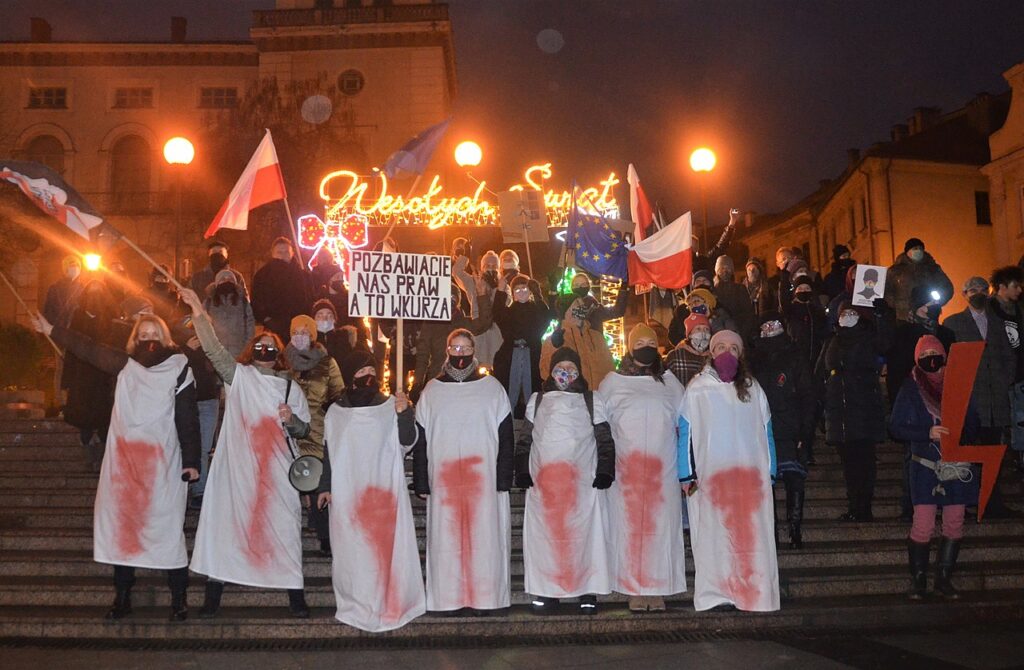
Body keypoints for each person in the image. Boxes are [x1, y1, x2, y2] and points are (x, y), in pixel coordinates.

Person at [32, 312, 201, 621]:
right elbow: (89, 347)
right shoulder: (124, 365)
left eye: (155, 333)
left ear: (164, 338)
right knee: (124, 531)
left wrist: (191, 461)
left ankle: (180, 598)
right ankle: (121, 596)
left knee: (167, 531)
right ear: (135, 339)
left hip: (162, 466)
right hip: (124, 466)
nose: (149, 339)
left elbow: (188, 420)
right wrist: (53, 329)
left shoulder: (179, 369)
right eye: (143, 334)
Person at [179, 288, 313, 619]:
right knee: (228, 526)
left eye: (271, 347)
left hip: (277, 472)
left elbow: (303, 430)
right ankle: (213, 597)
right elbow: (213, 349)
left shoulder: (288, 387)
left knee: (284, 526)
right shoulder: (239, 376)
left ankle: (296, 596)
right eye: (260, 346)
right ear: (251, 351)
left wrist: (290, 418)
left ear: (279, 354)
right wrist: (198, 309)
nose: (265, 350)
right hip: (238, 469)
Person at [316, 349, 426, 631]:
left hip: (383, 493)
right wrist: (325, 486)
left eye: (372, 373)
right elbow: (330, 450)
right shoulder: (336, 412)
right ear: (351, 375)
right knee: (354, 553)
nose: (368, 378)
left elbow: (407, 441)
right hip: (349, 494)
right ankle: (358, 604)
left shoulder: (390, 405)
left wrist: (404, 414)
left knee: (384, 552)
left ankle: (389, 602)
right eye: (362, 372)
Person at [412, 329, 514, 615]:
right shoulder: (432, 390)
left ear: (474, 350)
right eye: (455, 347)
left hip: (484, 481)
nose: (460, 353)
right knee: (447, 542)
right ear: (447, 350)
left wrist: (504, 477)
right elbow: (421, 440)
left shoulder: (492, 388)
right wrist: (421, 479)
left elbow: (506, 437)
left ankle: (486, 597)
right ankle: (449, 598)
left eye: (465, 347)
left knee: (485, 541)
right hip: (445, 482)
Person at [679, 329, 780, 611]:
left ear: (741, 354)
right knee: (715, 536)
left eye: (733, 348)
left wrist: (770, 471)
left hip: (749, 479)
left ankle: (753, 591)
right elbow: (685, 432)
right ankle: (718, 593)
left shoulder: (753, 388)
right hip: (712, 478)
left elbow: (766, 429)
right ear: (711, 352)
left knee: (750, 535)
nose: (726, 352)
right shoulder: (697, 388)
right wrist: (686, 473)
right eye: (720, 346)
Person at [515, 347, 615, 614]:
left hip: (582, 484)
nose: (566, 373)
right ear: (551, 370)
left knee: (585, 536)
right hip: (545, 485)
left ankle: (587, 589)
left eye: (572, 368)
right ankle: (547, 590)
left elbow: (604, 438)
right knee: (546, 538)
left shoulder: (592, 400)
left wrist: (606, 469)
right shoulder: (537, 400)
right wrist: (522, 469)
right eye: (561, 367)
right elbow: (525, 439)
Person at [599, 324, 687, 612]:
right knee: (629, 528)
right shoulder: (612, 382)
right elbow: (601, 424)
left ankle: (658, 587)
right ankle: (633, 587)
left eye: (651, 341)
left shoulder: (670, 382)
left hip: (663, 471)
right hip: (627, 471)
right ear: (629, 347)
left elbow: (684, 422)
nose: (646, 346)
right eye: (641, 342)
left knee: (661, 527)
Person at [890, 335, 979, 599]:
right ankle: (918, 581)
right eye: (925, 353)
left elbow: (974, 422)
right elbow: (895, 427)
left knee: (954, 522)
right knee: (923, 523)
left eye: (935, 352)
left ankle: (944, 579)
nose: (931, 358)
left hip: (955, 467)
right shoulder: (910, 388)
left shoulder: (958, 384)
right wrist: (926, 432)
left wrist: (958, 432)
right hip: (925, 467)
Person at [944, 272, 1023, 517]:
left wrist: (1005, 379)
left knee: (995, 451)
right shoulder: (953, 323)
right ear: (964, 295)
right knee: (970, 451)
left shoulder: (1000, 323)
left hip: (996, 398)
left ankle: (992, 501)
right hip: (971, 399)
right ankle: (968, 501)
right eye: (971, 290)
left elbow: (1011, 355)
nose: (977, 293)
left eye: (981, 289)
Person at [817, 299, 895, 521]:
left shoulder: (868, 337)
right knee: (849, 464)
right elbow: (820, 372)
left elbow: (886, 342)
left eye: (852, 312)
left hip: (864, 409)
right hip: (839, 410)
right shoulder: (832, 340)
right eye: (844, 312)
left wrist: (882, 315)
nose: (847, 316)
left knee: (864, 461)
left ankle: (864, 507)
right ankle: (854, 506)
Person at [748, 312, 815, 549]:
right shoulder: (754, 358)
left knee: (794, 479)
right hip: (763, 429)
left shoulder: (795, 355)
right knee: (767, 483)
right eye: (765, 325)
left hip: (791, 425)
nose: (770, 329)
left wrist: (805, 432)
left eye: (774, 324)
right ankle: (771, 531)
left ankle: (795, 529)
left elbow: (808, 394)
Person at [286, 314, 344, 557]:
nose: (300, 336)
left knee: (317, 479)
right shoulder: (281, 361)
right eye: (295, 332)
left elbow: (337, 393)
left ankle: (324, 535)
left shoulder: (326, 362)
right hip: (287, 429)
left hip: (317, 429)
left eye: (305, 332)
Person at [61, 279, 118, 468]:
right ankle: (88, 453)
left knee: (103, 416)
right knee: (84, 416)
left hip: (103, 376)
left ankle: (101, 455)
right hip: (82, 376)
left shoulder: (110, 317)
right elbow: (71, 347)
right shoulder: (77, 317)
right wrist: (66, 381)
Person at [542, 273, 627, 388]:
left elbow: (608, 367)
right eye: (576, 307)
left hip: (598, 393)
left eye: (584, 284)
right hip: (573, 396)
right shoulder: (558, 339)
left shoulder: (596, 331)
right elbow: (548, 371)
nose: (580, 310)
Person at [412, 281, 492, 399]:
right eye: (445, 297)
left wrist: (482, 296)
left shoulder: (463, 322)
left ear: (457, 302)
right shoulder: (431, 323)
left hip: (463, 377)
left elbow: (484, 322)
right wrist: (417, 383)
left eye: (452, 298)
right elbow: (422, 355)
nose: (449, 301)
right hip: (438, 377)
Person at [493, 274, 551, 414]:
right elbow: (497, 312)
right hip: (512, 354)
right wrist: (500, 291)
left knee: (532, 389)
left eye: (524, 288)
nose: (521, 292)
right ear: (513, 293)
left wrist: (538, 294)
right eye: (517, 290)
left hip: (532, 353)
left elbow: (546, 316)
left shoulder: (536, 309)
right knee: (511, 389)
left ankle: (532, 418)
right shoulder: (509, 312)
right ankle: (509, 417)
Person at [452, 240, 503, 368]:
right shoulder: (473, 282)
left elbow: (504, 305)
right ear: (482, 267)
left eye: (493, 265)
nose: (490, 268)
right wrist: (465, 256)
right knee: (477, 365)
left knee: (496, 364)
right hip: (478, 328)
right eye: (487, 265)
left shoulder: (502, 285)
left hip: (496, 331)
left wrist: (497, 289)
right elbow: (457, 272)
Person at [251, 237, 313, 341]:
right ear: (273, 254)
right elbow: (256, 301)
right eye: (279, 252)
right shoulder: (262, 275)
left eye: (286, 252)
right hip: (274, 327)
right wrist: (266, 319)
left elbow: (310, 298)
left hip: (300, 326)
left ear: (292, 253)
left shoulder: (303, 275)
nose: (283, 255)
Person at [885, 238, 954, 321]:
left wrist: (936, 304)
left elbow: (947, 288)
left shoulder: (932, 268)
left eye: (920, 249)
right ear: (907, 251)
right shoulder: (895, 271)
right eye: (915, 249)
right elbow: (887, 291)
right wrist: (897, 305)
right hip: (903, 317)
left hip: (928, 315)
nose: (918, 251)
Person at [203, 269, 255, 359]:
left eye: (230, 279)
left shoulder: (242, 301)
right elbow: (203, 325)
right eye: (223, 279)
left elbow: (250, 326)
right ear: (217, 283)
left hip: (238, 353)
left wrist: (246, 349)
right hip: (216, 354)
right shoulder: (208, 302)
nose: (226, 281)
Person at [713, 255, 756, 341]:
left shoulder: (740, 289)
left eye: (728, 268)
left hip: (739, 334)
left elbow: (748, 313)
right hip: (719, 336)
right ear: (717, 271)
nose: (725, 271)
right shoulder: (712, 291)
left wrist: (741, 333)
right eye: (722, 268)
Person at [665, 313, 711, 386]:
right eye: (698, 329)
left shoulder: (713, 357)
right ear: (689, 335)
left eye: (706, 329)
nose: (703, 333)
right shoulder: (675, 357)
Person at [43, 254, 84, 328]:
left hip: (76, 330)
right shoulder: (55, 288)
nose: (75, 268)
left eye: (77, 266)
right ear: (65, 268)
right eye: (72, 266)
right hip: (58, 329)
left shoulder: (83, 288)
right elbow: (48, 310)